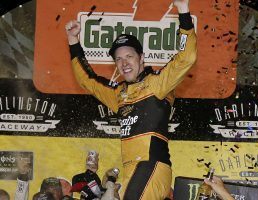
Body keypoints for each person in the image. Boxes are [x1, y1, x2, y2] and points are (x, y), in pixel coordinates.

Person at [65, 0, 197, 198]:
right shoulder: (118, 94)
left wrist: (184, 11)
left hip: (152, 166)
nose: (124, 63)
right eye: (118, 59)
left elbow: (186, 58)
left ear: (141, 57)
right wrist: (73, 41)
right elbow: (88, 81)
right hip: (132, 172)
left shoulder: (157, 83)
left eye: (129, 56)